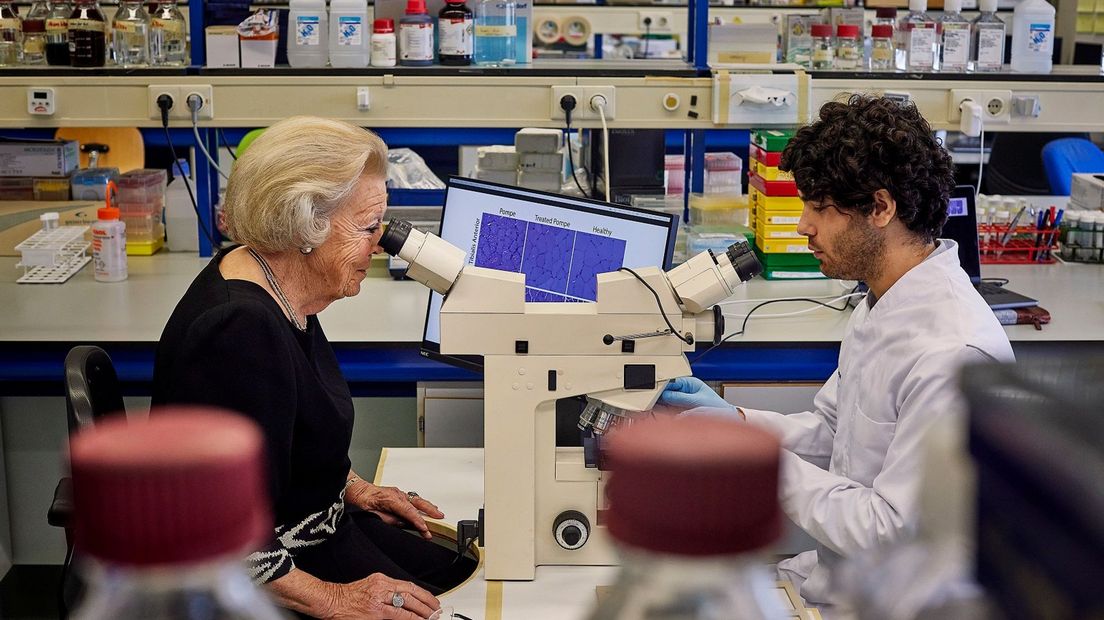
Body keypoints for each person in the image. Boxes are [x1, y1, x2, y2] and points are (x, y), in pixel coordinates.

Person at [659, 95, 1015, 609]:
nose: (803, 225)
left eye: (820, 208)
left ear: (881, 208)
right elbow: (832, 432)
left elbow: (887, 530)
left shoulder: (951, 353)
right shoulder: (883, 299)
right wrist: (735, 422)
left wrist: (756, 463)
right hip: (837, 580)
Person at [152, 117, 470, 619]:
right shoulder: (237, 330)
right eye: (369, 228)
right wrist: (336, 601)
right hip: (268, 576)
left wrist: (352, 487)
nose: (382, 245)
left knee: (464, 569)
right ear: (306, 227)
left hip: (322, 528)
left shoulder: (282, 286)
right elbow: (215, 530)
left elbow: (288, 440)